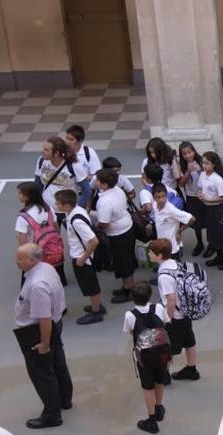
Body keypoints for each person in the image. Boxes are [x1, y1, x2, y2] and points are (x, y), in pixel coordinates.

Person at [13, 243, 72, 429]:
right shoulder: (46, 268)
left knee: (41, 373)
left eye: (20, 258)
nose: (16, 261)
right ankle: (64, 399)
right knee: (58, 363)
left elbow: (44, 318)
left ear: (31, 260)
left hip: (38, 331)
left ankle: (52, 414)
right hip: (55, 323)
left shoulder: (37, 285)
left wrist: (44, 343)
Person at [122, 281, 171, 434]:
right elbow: (165, 322)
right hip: (162, 353)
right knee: (160, 380)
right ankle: (159, 407)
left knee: (147, 387)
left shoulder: (130, 315)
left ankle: (151, 420)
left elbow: (130, 331)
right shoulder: (158, 307)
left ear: (132, 297)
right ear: (150, 295)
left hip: (145, 358)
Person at [150, 239, 201, 381]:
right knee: (189, 341)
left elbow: (170, 301)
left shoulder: (164, 276)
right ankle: (192, 369)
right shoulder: (176, 264)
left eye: (151, 252)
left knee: (166, 347)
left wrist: (167, 320)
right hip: (186, 310)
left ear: (159, 256)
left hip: (175, 316)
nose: (149, 254)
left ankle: (163, 376)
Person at [54, 189, 104, 325]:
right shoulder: (77, 211)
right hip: (82, 255)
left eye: (58, 203)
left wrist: (82, 258)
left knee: (90, 286)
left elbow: (93, 241)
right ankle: (98, 306)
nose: (56, 205)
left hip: (82, 258)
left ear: (67, 205)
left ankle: (96, 312)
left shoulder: (76, 221)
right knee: (90, 284)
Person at [94, 168, 136, 303]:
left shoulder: (105, 202)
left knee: (123, 263)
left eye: (97, 180)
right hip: (127, 227)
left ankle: (128, 291)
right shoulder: (117, 190)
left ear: (104, 184)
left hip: (117, 234)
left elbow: (104, 223)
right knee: (127, 259)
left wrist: (95, 226)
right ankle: (126, 286)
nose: (95, 181)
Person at [15, 181, 67, 285]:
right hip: (52, 248)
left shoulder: (23, 216)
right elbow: (56, 228)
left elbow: (22, 242)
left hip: (34, 252)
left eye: (20, 193)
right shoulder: (48, 208)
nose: (18, 196)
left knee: (30, 280)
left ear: (28, 197)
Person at [199, 151, 223, 270]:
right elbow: (200, 188)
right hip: (208, 209)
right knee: (212, 234)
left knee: (221, 236)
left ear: (213, 164)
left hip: (217, 210)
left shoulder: (217, 179)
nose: (204, 165)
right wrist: (200, 194)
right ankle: (220, 256)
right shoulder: (202, 175)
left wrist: (208, 199)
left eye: (207, 163)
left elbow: (222, 198)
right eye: (203, 163)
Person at [35, 136, 81, 225]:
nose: (42, 151)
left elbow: (86, 188)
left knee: (75, 237)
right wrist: (36, 204)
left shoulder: (73, 166)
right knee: (52, 238)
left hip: (67, 211)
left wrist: (78, 208)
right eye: (43, 148)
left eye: (46, 150)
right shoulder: (41, 161)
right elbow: (38, 184)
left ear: (56, 153)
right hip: (48, 210)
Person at [177, 142, 207, 257]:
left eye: (189, 152)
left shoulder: (202, 162)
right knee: (196, 222)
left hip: (204, 196)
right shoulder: (182, 166)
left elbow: (208, 177)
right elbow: (181, 184)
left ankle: (212, 245)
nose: (187, 155)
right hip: (191, 196)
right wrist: (188, 172)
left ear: (194, 151)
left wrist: (200, 170)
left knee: (208, 220)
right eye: (184, 154)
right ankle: (200, 243)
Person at [64, 125, 101, 208]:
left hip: (83, 192)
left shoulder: (89, 152)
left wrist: (81, 179)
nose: (67, 142)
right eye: (66, 138)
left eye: (71, 139)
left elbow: (96, 174)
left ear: (80, 141)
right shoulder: (61, 152)